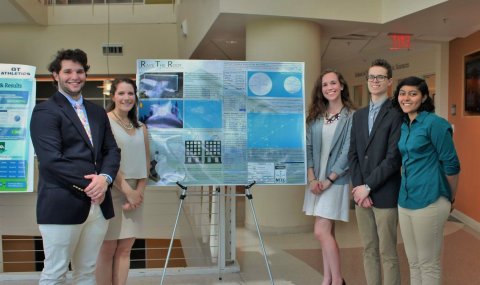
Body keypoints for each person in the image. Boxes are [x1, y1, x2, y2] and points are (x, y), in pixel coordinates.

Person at [30, 49, 120, 284]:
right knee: (55, 272)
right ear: (55, 75)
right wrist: (93, 184)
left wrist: (106, 179)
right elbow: (51, 160)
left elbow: (112, 150)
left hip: (98, 205)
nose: (75, 76)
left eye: (80, 71)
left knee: (87, 272)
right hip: (62, 202)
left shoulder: (97, 111)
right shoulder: (45, 111)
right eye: (67, 71)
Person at [392, 76, 460, 285]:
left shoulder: (435, 124)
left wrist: (450, 197)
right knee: (413, 262)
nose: (406, 98)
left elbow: (452, 165)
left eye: (413, 94)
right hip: (405, 200)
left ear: (423, 97)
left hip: (430, 199)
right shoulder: (405, 125)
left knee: (428, 264)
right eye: (403, 93)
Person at [348, 59, 403, 285]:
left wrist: (368, 187)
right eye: (371, 77)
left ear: (389, 82)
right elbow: (353, 155)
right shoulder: (358, 116)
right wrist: (359, 188)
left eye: (380, 77)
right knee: (368, 249)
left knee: (387, 252)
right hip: (362, 195)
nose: (375, 81)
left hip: (385, 193)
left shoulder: (396, 114)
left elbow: (393, 159)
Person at [96, 78, 149, 285]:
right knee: (107, 249)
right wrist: (128, 191)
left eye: (130, 93)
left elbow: (146, 161)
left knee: (126, 249)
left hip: (137, 192)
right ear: (113, 96)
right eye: (121, 93)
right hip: (112, 189)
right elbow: (105, 161)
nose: (126, 98)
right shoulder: (104, 122)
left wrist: (138, 192)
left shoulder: (141, 127)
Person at [303, 69, 354, 285]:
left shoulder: (352, 116)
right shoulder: (316, 117)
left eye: (333, 83)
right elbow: (308, 147)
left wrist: (329, 180)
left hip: (336, 180)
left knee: (320, 230)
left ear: (341, 86)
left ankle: (338, 280)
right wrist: (313, 179)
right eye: (325, 85)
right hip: (316, 181)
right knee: (327, 232)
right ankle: (328, 279)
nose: (329, 88)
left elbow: (348, 152)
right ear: (320, 90)